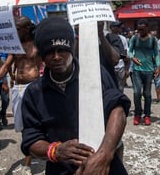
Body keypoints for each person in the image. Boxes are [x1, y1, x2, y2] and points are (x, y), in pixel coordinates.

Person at [21, 17, 131, 174]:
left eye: (62, 50)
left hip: (105, 168)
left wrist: (104, 156)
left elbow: (118, 110)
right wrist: (56, 150)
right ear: (42, 56)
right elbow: (31, 140)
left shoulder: (94, 74)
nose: (57, 56)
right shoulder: (34, 93)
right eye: (50, 52)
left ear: (72, 49)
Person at [0, 16, 43, 174]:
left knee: (29, 125)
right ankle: (35, 147)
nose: (16, 31)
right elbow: (6, 65)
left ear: (27, 28)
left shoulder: (37, 45)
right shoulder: (15, 45)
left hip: (33, 87)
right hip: (18, 88)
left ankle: (27, 163)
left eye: (18, 28)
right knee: (20, 125)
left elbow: (44, 65)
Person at [128, 19, 160, 126]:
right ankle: (137, 114)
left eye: (142, 29)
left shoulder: (153, 39)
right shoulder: (134, 38)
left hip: (149, 70)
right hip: (137, 70)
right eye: (138, 29)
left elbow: (156, 53)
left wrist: (158, 66)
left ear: (147, 28)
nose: (140, 31)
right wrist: (132, 58)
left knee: (147, 94)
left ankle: (147, 115)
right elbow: (129, 51)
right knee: (137, 93)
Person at [110, 21, 130, 92]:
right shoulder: (107, 38)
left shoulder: (123, 39)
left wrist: (127, 69)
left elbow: (125, 54)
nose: (119, 28)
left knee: (120, 89)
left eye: (119, 27)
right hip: (110, 68)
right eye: (117, 27)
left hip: (121, 67)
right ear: (112, 28)